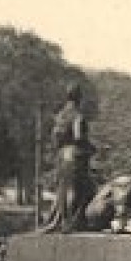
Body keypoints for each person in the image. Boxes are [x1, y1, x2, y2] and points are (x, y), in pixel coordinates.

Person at [39, 83, 97, 233]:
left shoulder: (60, 116)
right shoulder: (78, 115)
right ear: (79, 97)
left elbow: (54, 137)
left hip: (62, 156)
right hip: (75, 156)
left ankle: (60, 220)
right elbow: (78, 136)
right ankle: (71, 223)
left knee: (62, 191)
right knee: (77, 190)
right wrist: (90, 147)